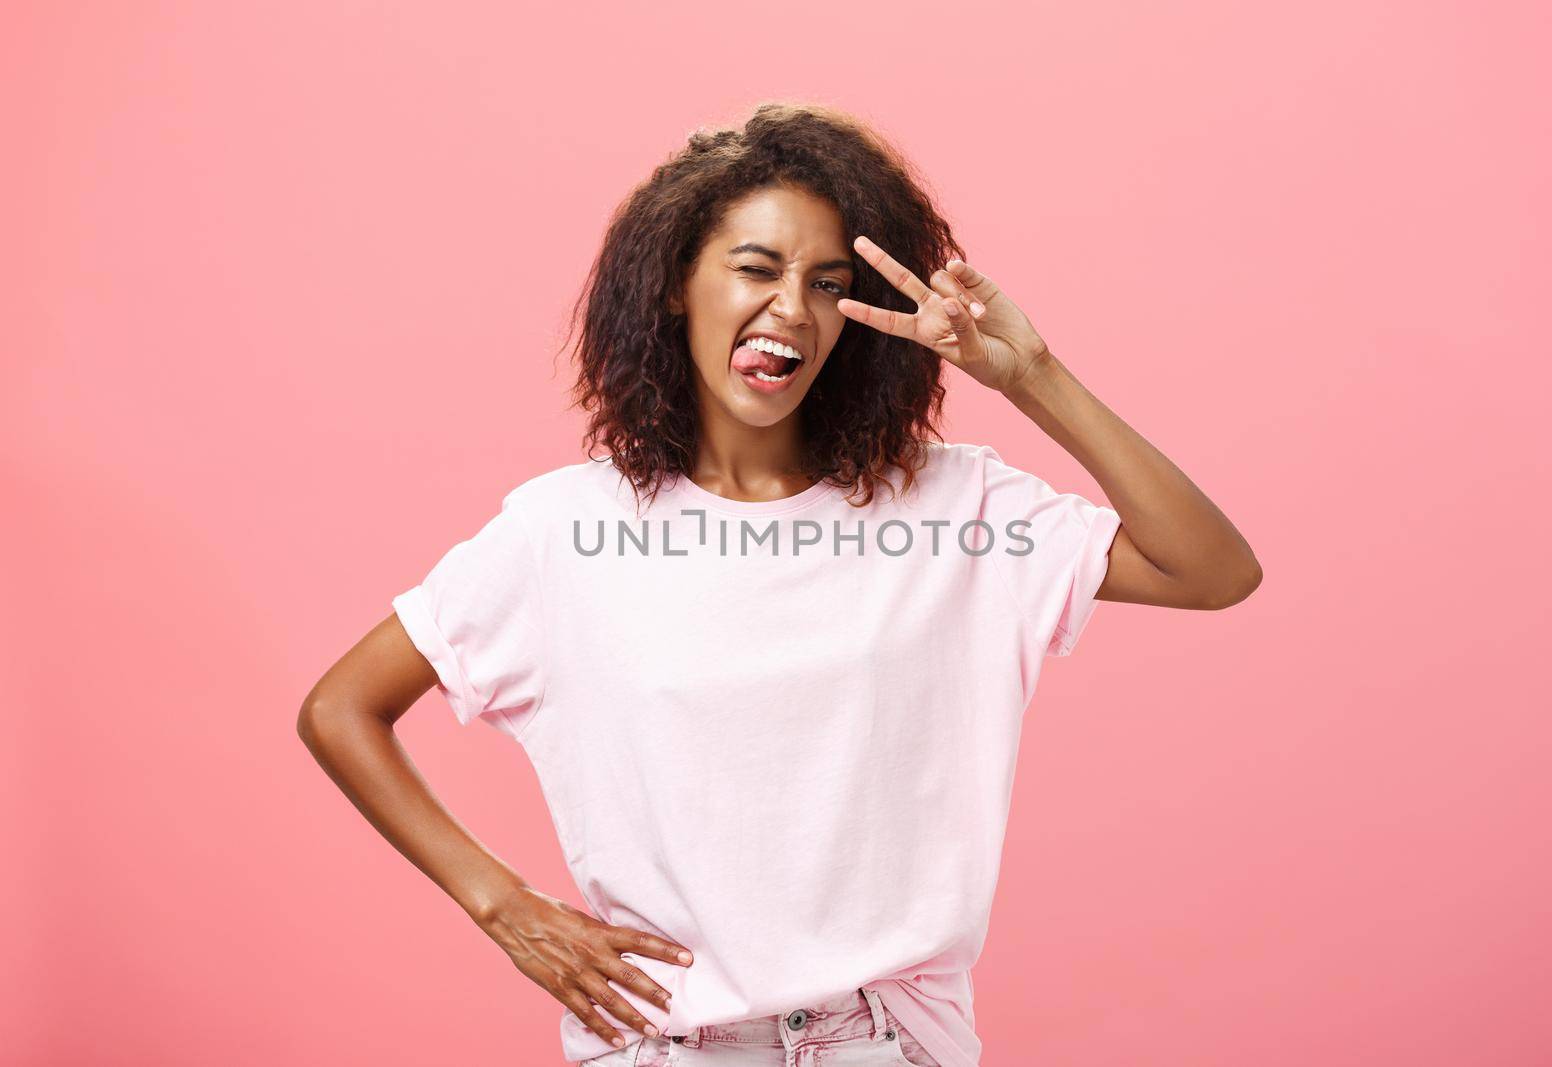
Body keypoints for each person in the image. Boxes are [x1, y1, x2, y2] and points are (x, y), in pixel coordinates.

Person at [298, 102, 1261, 1067]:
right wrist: (502, 905)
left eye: (828, 283)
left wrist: (1032, 373)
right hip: (667, 1045)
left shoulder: (955, 506)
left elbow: (1212, 570)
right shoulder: (565, 531)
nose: (793, 309)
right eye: (756, 269)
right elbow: (341, 706)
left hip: (889, 1044)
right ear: (679, 285)